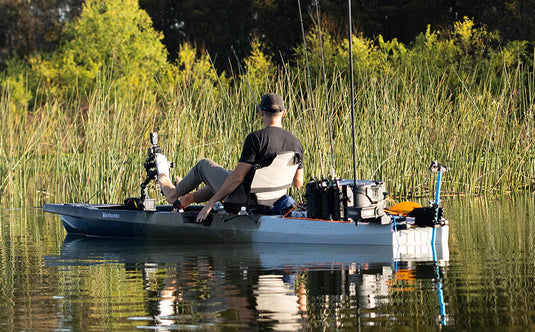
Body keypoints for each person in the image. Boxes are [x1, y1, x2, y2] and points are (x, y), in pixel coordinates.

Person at [158, 93, 304, 223]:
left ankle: (172, 194)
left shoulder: (256, 138)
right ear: (284, 113)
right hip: (275, 201)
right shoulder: (296, 143)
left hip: (246, 199)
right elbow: (298, 183)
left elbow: (237, 179)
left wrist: (211, 202)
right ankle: (188, 199)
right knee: (228, 173)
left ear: (261, 112)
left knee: (204, 165)